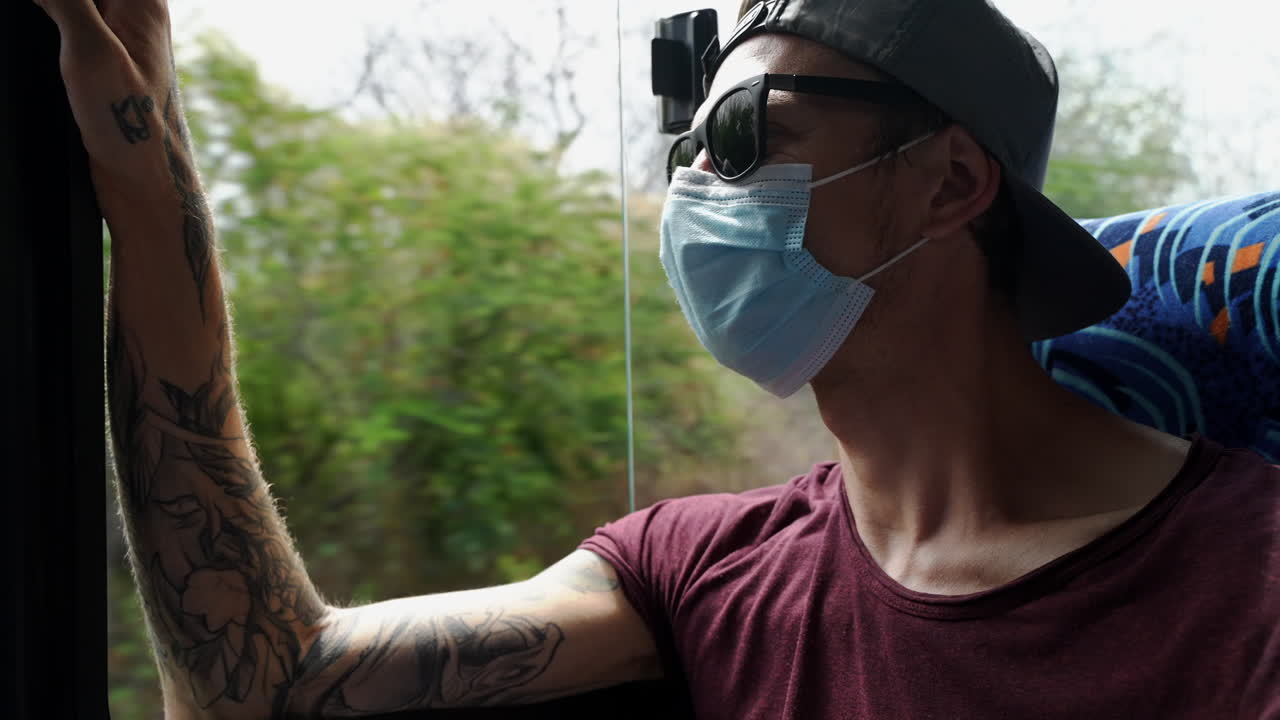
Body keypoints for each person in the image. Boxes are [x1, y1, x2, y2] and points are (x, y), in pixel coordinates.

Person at [35, 0, 1277, 716]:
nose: (691, 185)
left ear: (950, 179)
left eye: (741, 133)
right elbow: (264, 681)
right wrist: (154, 208)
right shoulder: (697, 569)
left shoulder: (1245, 576)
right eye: (684, 143)